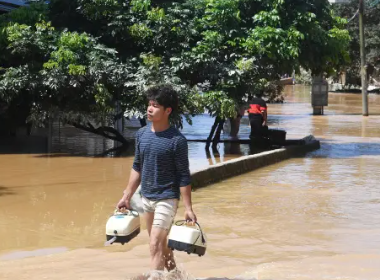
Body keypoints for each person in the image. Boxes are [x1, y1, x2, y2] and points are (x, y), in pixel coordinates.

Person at [116, 84, 197, 276]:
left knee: (154, 244)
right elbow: (137, 166)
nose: (149, 109)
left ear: (168, 110)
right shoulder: (142, 134)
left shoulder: (177, 140)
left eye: (155, 105)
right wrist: (126, 195)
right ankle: (176, 276)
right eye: (149, 104)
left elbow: (184, 176)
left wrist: (188, 208)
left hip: (167, 198)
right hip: (147, 197)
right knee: (162, 246)